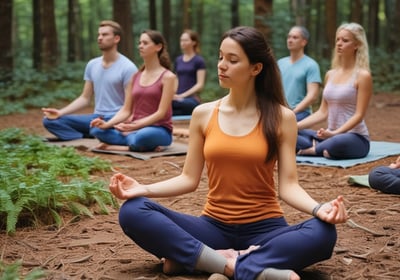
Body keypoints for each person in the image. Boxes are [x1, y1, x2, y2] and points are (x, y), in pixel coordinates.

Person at [107, 26, 348, 280]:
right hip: (212, 227)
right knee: (132, 211)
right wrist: (143, 188)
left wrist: (319, 209)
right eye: (221, 57)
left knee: (324, 233)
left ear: (256, 68)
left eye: (233, 60)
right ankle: (236, 266)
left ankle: (207, 261)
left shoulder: (281, 118)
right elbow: (189, 179)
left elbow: (288, 186)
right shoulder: (203, 114)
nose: (222, 65)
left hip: (266, 230)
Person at [42, 20, 138, 141]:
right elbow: (85, 98)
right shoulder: (92, 64)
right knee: (49, 121)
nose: (100, 38)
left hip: (117, 118)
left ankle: (97, 133)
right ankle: (84, 138)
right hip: (96, 117)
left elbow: (131, 106)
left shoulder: (128, 67)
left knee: (97, 128)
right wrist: (60, 113)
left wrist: (124, 122)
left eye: (105, 35)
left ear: (116, 39)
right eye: (99, 34)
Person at [89, 30, 177, 152]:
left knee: (143, 136)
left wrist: (135, 127)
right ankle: (138, 145)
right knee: (96, 130)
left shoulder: (168, 77)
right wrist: (107, 124)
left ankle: (119, 146)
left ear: (158, 47)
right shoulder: (135, 77)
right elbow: (126, 110)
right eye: (140, 43)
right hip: (133, 129)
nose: (140, 46)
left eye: (145, 43)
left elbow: (161, 113)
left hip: (158, 129)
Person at [296, 22, 373, 159]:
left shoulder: (363, 76)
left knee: (337, 143)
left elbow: (359, 115)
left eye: (345, 40)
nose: (339, 43)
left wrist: (335, 133)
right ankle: (321, 149)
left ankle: (312, 150)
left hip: (354, 137)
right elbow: (322, 112)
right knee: (293, 134)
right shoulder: (330, 74)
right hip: (329, 135)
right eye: (337, 39)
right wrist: (295, 126)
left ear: (357, 45)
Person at [278, 26, 321, 121]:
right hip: (279, 111)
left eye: (295, 37)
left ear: (304, 42)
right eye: (289, 37)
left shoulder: (311, 65)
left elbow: (312, 95)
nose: (290, 40)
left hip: (301, 113)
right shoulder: (280, 63)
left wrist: (293, 111)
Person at [172, 29, 206, 116]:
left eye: (186, 40)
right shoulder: (178, 60)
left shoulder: (199, 61)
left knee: (186, 105)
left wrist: (183, 95)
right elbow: (176, 78)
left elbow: (200, 85)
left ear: (194, 42)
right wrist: (174, 94)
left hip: (191, 99)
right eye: (181, 40)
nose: (182, 43)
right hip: (177, 98)